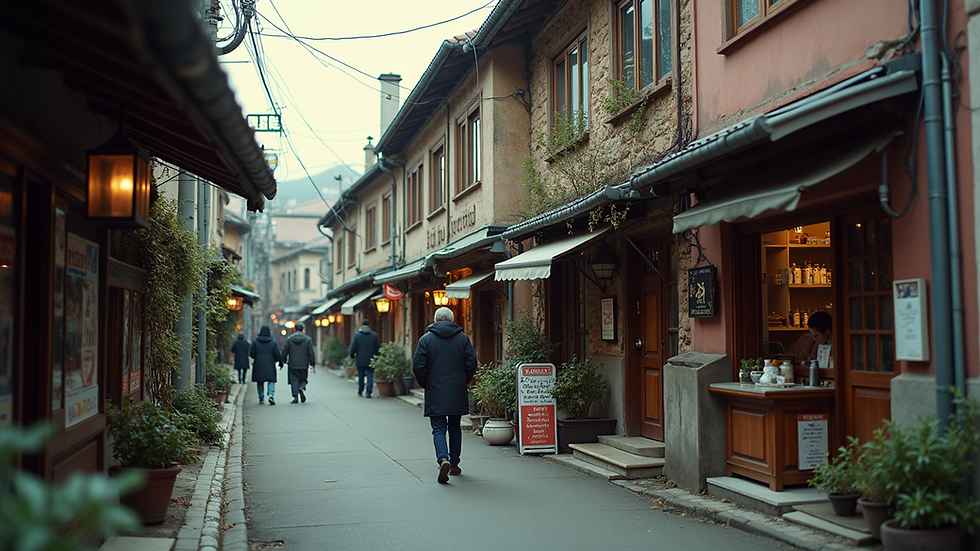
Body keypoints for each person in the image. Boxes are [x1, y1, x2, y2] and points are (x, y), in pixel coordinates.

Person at [412, 307, 477, 484]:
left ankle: (443, 459)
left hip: (435, 389)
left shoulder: (425, 340)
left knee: (439, 428)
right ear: (451, 319)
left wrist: (426, 383)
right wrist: (463, 381)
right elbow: (472, 364)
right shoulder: (463, 339)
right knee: (455, 427)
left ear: (435, 320)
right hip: (456, 389)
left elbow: (418, 366)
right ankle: (455, 464)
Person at [280, 322, 316, 403]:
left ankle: (295, 396)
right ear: (302, 329)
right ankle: (301, 388)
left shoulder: (289, 339)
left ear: (295, 329)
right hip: (304, 363)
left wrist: (283, 361)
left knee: (294, 380)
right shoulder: (308, 339)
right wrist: (312, 364)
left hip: (292, 363)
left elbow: (285, 351)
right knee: (303, 379)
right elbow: (311, 352)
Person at [349, 319, 381, 398]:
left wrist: (352, 355)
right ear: (369, 325)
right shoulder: (374, 335)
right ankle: (368, 392)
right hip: (371, 359)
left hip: (360, 359)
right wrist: (377, 356)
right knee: (370, 375)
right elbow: (378, 348)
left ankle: (360, 390)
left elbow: (353, 347)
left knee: (361, 375)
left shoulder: (357, 335)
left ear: (362, 325)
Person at [250, 325, 281, 405]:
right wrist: (279, 361)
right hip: (270, 363)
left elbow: (252, 354)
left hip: (258, 364)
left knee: (260, 381)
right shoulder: (273, 342)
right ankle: (271, 395)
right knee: (271, 380)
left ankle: (261, 398)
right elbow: (277, 354)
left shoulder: (256, 342)